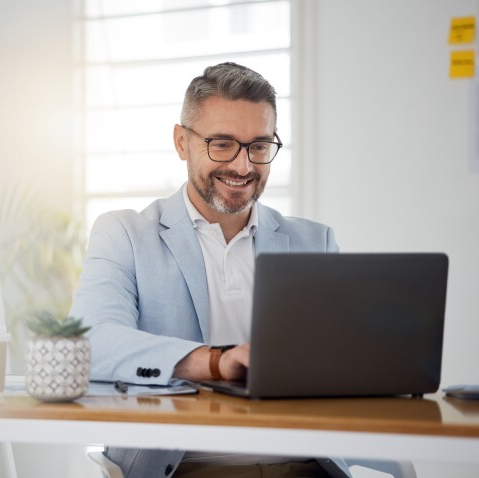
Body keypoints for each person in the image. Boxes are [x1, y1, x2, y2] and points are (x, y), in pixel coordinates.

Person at [69, 62, 348, 478]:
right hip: (185, 469)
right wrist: (215, 363)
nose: (242, 166)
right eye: (221, 144)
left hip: (305, 468)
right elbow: (91, 342)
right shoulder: (125, 234)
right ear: (182, 142)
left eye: (258, 146)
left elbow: (348, 366)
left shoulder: (315, 243)